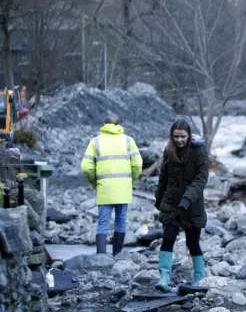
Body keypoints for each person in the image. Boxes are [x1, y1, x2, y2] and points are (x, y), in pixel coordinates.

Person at [154, 119, 209, 292]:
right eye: (175, 136)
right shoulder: (168, 151)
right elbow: (163, 177)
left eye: (182, 136)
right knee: (168, 238)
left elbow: (201, 178)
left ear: (189, 135)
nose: (179, 140)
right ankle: (164, 276)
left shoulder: (199, 151)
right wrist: (159, 199)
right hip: (171, 204)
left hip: (192, 205)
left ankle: (199, 277)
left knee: (193, 244)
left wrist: (187, 199)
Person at [81, 114, 143, 255]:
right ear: (120, 125)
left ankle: (101, 256)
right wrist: (131, 180)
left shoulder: (95, 142)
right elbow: (138, 164)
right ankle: (118, 254)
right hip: (123, 188)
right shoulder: (128, 141)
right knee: (120, 222)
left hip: (104, 188)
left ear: (103, 125)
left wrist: (94, 181)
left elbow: (86, 167)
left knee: (103, 224)